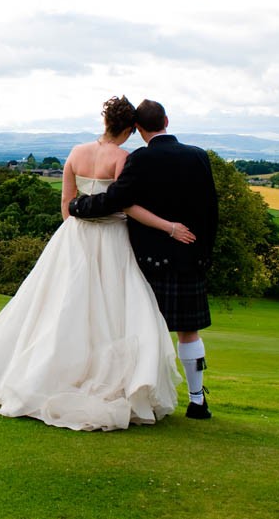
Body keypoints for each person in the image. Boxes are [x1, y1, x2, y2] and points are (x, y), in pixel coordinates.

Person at [0, 96, 195, 431]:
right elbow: (126, 206)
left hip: (73, 236)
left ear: (105, 123)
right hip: (112, 239)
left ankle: (42, 378)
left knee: (60, 307)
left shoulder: (76, 152)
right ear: (130, 128)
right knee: (113, 311)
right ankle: (105, 381)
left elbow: (66, 203)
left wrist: (74, 232)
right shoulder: (123, 158)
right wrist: (169, 227)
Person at [69, 99, 218, 419]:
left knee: (143, 328)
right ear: (167, 119)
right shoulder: (198, 156)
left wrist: (78, 208)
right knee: (189, 331)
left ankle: (139, 392)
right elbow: (210, 209)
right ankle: (197, 401)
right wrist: (204, 253)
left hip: (150, 258)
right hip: (190, 256)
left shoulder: (139, 159)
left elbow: (117, 200)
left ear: (138, 129)